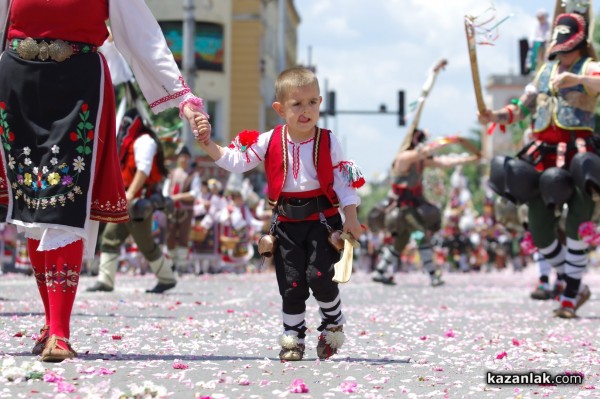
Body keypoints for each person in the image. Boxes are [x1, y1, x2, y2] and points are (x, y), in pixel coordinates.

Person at [0, 0, 208, 362]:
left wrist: (181, 96)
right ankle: (51, 322)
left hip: (77, 87)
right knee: (32, 208)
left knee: (63, 202)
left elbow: (142, 34)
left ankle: (60, 334)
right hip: (16, 87)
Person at [193, 67, 364, 361]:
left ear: (320, 103)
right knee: (292, 284)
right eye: (296, 104)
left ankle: (333, 324)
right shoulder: (268, 140)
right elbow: (237, 161)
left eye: (312, 102)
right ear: (280, 109)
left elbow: (344, 182)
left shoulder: (329, 141)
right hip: (285, 224)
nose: (305, 110)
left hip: (323, 222)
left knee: (321, 277)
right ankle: (293, 340)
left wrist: (351, 216)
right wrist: (208, 144)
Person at [478, 9, 599, 318]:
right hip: (543, 153)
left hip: (579, 152)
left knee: (578, 221)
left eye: (568, 49)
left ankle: (569, 296)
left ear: (580, 46)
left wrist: (578, 79)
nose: (564, 55)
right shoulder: (544, 73)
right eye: (560, 50)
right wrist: (496, 116)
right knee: (539, 227)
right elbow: (521, 105)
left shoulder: (590, 66)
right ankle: (572, 282)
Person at [370, 130, 480, 286]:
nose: (423, 142)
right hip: (402, 209)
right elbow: (425, 151)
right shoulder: (404, 158)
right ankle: (433, 275)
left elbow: (445, 162)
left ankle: (380, 271)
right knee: (420, 235)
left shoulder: (420, 161)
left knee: (401, 241)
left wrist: (470, 159)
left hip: (412, 208)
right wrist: (450, 140)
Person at [86, 108, 178, 294]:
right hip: (126, 199)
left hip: (138, 202)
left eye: (127, 122)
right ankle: (106, 280)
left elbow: (143, 170)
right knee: (110, 238)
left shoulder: (144, 141)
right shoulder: (130, 142)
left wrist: (130, 195)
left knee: (145, 244)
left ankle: (167, 278)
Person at [162, 145, 201, 274]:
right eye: (181, 157)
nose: (183, 159)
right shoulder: (172, 174)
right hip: (172, 210)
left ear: (189, 159)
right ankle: (172, 262)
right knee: (170, 236)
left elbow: (195, 193)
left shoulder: (193, 175)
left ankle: (182, 265)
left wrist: (178, 197)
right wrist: (168, 200)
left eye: (185, 157)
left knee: (184, 236)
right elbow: (165, 192)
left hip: (186, 211)